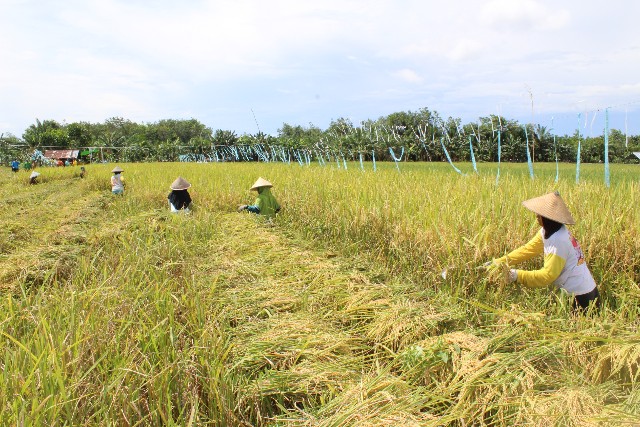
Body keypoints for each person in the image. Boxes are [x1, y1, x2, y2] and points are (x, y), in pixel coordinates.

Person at [486, 191, 599, 313]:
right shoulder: (548, 231)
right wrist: (498, 262)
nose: (536, 216)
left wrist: (517, 275)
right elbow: (527, 250)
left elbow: (548, 275)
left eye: (539, 215)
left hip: (582, 298)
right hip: (579, 291)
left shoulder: (558, 240)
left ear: (548, 218)